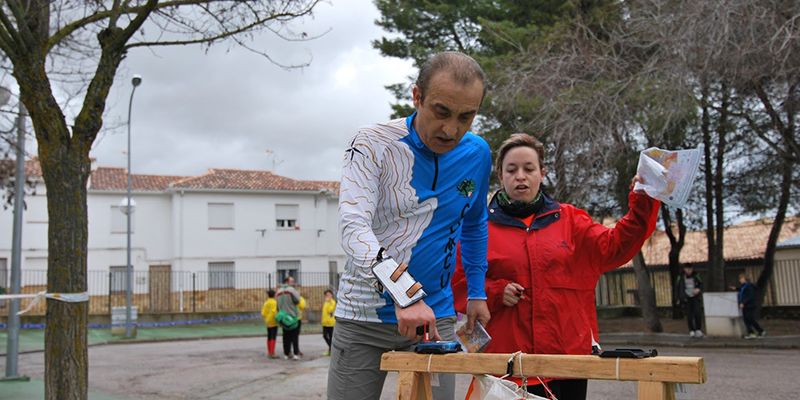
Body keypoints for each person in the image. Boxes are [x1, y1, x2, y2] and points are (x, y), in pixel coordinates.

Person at [328, 51, 492, 400]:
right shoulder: (371, 143)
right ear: (417, 96)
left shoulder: (477, 153)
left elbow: (476, 222)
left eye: (467, 117)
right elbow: (353, 226)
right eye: (441, 112)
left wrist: (477, 291)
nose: (451, 130)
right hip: (363, 319)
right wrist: (405, 293)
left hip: (436, 321)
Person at [452, 133, 660, 400]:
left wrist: (644, 200)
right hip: (507, 366)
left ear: (543, 173)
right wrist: (494, 291)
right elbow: (455, 283)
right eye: (511, 170)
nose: (520, 176)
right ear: (500, 175)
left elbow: (616, 246)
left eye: (529, 169)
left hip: (569, 362)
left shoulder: (571, 220)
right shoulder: (478, 229)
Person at [276, 276, 302, 360]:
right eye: (292, 281)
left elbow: (277, 305)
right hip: (292, 316)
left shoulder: (278, 292)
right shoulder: (291, 290)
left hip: (283, 317)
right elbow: (298, 300)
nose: (293, 283)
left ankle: (286, 353)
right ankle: (295, 354)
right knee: (294, 336)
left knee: (285, 336)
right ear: (287, 282)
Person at [675, 263, 704, 337]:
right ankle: (691, 330)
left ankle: (698, 329)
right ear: (684, 269)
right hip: (686, 298)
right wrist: (677, 298)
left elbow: (701, 283)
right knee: (689, 315)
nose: (689, 271)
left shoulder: (696, 275)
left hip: (695, 297)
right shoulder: (680, 276)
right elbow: (677, 287)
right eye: (687, 269)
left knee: (697, 313)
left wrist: (698, 289)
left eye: (690, 269)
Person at [737, 273, 765, 339]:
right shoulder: (744, 286)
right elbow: (742, 291)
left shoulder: (748, 286)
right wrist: (735, 288)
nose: (740, 280)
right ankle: (756, 332)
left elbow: (749, 296)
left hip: (749, 305)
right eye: (740, 279)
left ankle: (755, 332)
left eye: (741, 278)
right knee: (748, 319)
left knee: (749, 319)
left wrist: (743, 303)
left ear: (745, 279)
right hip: (746, 306)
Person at [260, 289, 279, 358]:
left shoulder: (266, 302)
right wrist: (276, 319)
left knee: (269, 336)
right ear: (274, 295)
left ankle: (269, 352)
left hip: (267, 322)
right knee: (273, 337)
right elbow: (274, 312)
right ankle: (272, 353)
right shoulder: (274, 302)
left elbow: (263, 313)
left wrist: (267, 319)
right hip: (273, 322)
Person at [321, 288, 336, 356]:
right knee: (324, 336)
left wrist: (328, 301)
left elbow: (330, 310)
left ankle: (331, 350)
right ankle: (331, 348)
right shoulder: (326, 302)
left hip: (331, 323)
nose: (328, 296)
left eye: (329, 295)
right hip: (325, 323)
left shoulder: (332, 302)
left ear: (332, 295)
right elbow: (324, 313)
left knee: (331, 336)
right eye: (326, 295)